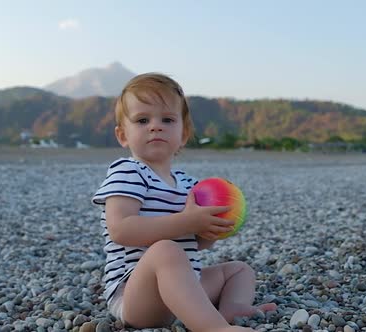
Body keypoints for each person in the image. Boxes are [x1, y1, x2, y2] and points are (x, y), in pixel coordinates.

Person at [92, 73, 276, 332]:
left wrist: (208, 232)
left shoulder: (190, 186)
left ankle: (232, 309)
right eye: (142, 120)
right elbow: (121, 230)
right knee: (164, 250)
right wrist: (186, 221)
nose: (155, 126)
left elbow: (194, 243)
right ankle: (214, 328)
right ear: (123, 135)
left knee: (239, 271)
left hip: (186, 288)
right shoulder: (127, 172)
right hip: (138, 296)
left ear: (184, 133)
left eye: (167, 119)